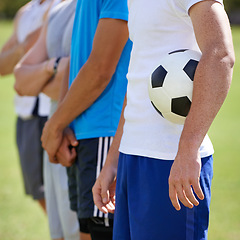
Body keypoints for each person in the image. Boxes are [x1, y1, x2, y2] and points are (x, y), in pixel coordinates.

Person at [92, 0, 235, 240]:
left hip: (171, 161)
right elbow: (139, 77)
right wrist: (113, 160)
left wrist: (188, 149)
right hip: (131, 158)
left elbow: (220, 54)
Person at [40, 0, 132, 239]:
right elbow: (75, 59)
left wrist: (54, 126)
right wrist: (62, 123)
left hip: (106, 132)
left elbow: (101, 69)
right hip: (82, 132)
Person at [14, 1, 90, 240]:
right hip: (54, 137)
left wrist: (41, 78)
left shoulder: (97, 7)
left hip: (81, 140)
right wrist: (54, 66)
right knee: (59, 234)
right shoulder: (56, 10)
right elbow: (20, 80)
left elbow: (89, 80)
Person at [0, 0, 61, 212]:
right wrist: (23, 49)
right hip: (25, 116)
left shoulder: (60, 5)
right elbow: (2, 65)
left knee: (61, 200)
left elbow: (28, 48)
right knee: (40, 195)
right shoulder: (24, 12)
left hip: (50, 114)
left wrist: (21, 50)